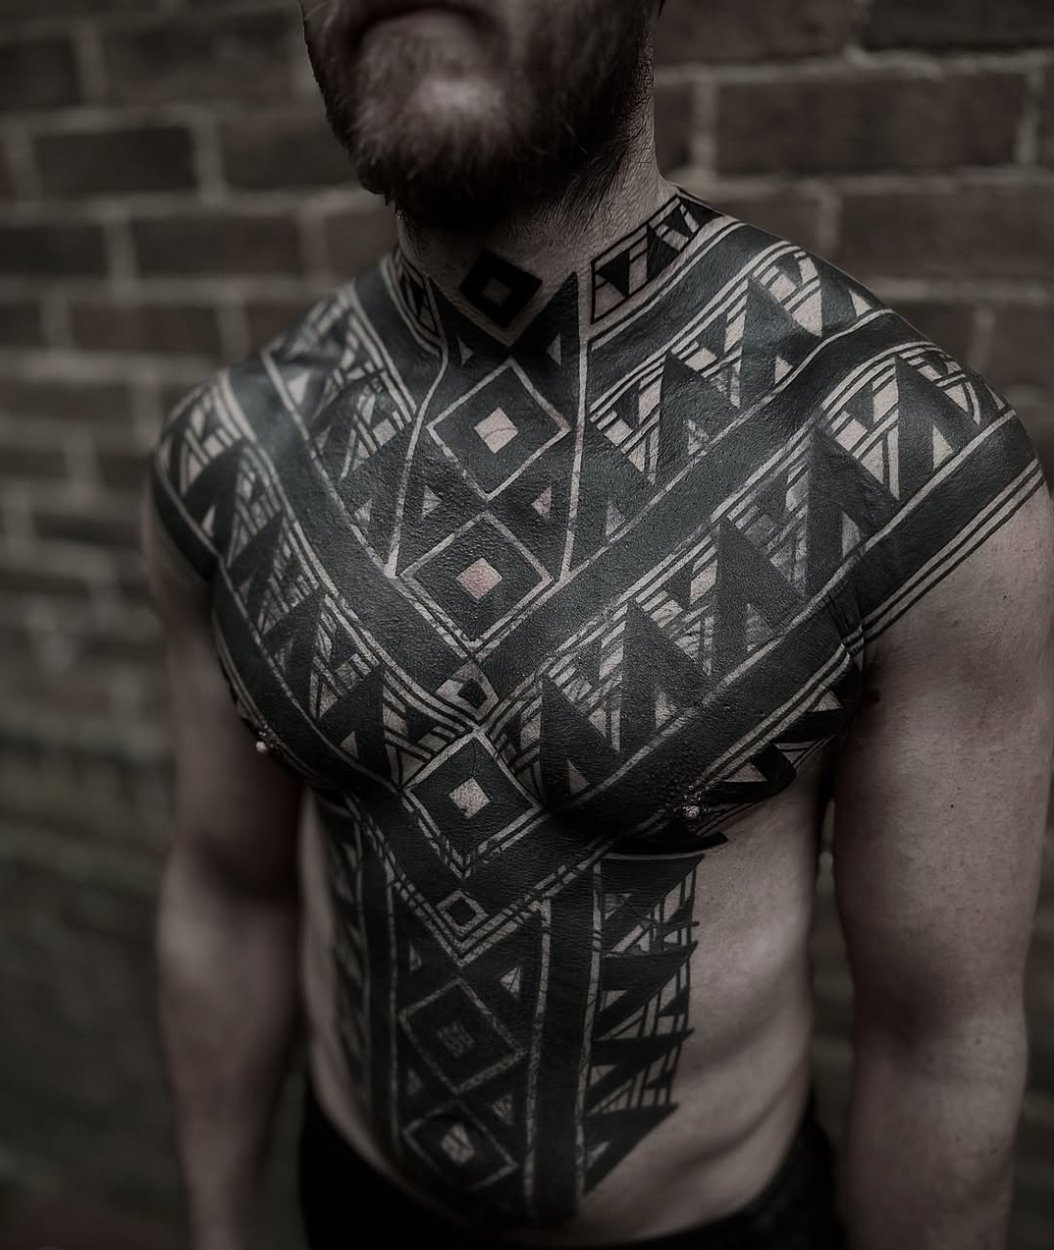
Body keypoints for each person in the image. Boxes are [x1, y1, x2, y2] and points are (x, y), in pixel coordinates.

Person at [140, 2, 1054, 1248]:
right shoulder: (234, 455)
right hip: (350, 1203)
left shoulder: (901, 469)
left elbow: (937, 1041)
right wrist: (210, 1228)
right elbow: (228, 892)